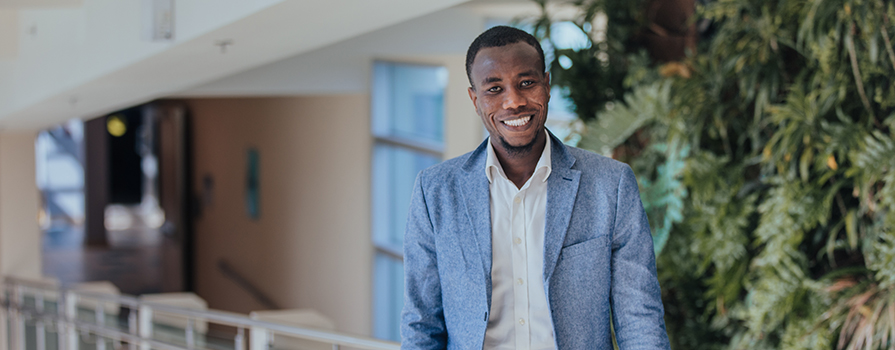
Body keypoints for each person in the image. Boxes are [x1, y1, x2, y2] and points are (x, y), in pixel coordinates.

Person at [401, 25, 670, 350]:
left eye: (526, 83)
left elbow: (640, 319)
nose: (513, 102)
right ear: (475, 99)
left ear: (547, 85)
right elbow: (421, 324)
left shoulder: (610, 185)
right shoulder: (435, 192)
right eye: (494, 89)